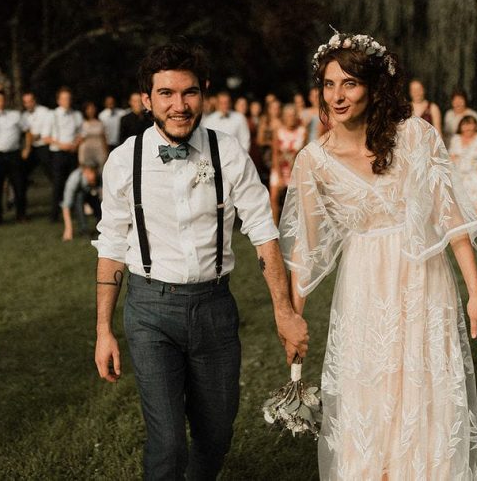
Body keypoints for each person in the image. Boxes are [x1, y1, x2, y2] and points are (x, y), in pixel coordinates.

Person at [92, 39, 309, 480]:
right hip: (150, 311)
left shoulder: (227, 152)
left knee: (215, 436)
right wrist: (103, 331)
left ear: (204, 92)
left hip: (214, 309)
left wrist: (284, 312)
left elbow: (263, 232)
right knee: (169, 443)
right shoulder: (123, 161)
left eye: (189, 92)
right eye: (166, 94)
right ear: (146, 100)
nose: (179, 105)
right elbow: (111, 247)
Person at [280, 31, 477, 479]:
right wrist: (293, 318)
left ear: (374, 87)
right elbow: (305, 248)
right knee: (367, 389)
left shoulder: (416, 136)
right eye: (329, 84)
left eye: (350, 83)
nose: (337, 95)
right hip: (363, 284)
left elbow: (450, 217)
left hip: (422, 276)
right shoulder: (311, 161)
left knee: (425, 388)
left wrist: (476, 293)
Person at [0, 89, 30, 224]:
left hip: (14, 154)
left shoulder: (15, 116)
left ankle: (21, 214)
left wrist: (27, 148)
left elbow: (27, 131)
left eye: (2, 100)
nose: (0, 103)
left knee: (19, 185)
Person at [450, 115, 477, 248]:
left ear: (476, 126)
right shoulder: (456, 139)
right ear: (460, 127)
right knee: (460, 206)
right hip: (458, 178)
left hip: (474, 177)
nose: (467, 127)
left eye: (470, 124)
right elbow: (450, 158)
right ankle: (464, 236)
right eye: (464, 124)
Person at [49, 86, 83, 222]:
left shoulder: (76, 115)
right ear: (58, 101)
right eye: (63, 99)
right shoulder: (53, 115)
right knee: (58, 184)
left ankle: (74, 211)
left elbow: (81, 133)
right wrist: (62, 145)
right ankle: (55, 215)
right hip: (58, 153)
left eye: (68, 98)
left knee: (74, 182)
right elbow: (46, 136)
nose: (67, 101)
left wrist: (75, 144)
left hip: (72, 152)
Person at [270, 103, 306, 224]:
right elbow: (275, 154)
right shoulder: (278, 132)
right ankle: (274, 227)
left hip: (296, 169)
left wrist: (293, 174)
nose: (291, 118)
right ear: (284, 117)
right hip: (280, 168)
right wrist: (280, 177)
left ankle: (298, 226)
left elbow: (302, 155)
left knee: (299, 199)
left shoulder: (302, 131)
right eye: (288, 115)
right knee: (274, 197)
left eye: (293, 115)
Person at [61, 161, 102, 241]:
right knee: (79, 199)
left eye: (93, 172)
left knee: (99, 206)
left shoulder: (99, 176)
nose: (92, 176)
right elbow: (66, 205)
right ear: (84, 171)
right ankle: (84, 229)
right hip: (78, 198)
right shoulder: (74, 178)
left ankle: (102, 228)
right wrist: (68, 229)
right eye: (90, 172)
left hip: (92, 194)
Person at [22, 91, 54, 183]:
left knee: (50, 171)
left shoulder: (44, 112)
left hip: (44, 146)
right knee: (23, 170)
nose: (28, 104)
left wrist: (32, 136)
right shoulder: (24, 116)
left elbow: (40, 134)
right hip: (32, 147)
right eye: (26, 102)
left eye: (30, 101)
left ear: (34, 101)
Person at [256, 99, 282, 187]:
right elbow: (259, 140)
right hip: (267, 154)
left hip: (280, 154)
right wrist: (272, 143)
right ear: (269, 109)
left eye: (278, 108)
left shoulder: (283, 121)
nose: (276, 110)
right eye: (274, 108)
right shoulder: (265, 121)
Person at [78, 101, 109, 167]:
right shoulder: (82, 123)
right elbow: (80, 138)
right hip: (86, 150)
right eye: (88, 109)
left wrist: (106, 152)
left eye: (92, 108)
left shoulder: (100, 123)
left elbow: (104, 138)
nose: (91, 111)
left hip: (99, 150)